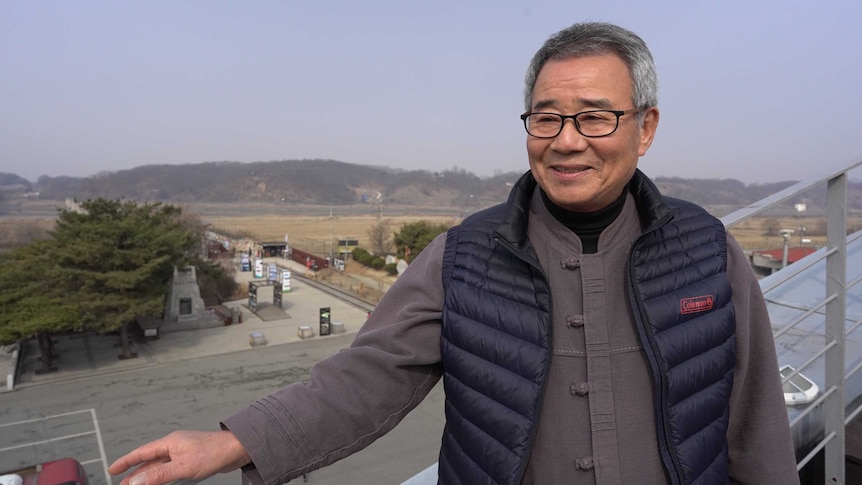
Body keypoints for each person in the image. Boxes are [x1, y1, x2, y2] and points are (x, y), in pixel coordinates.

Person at [109, 22, 799, 485]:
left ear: (644, 127)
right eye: (546, 117)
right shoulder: (462, 256)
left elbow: (756, 420)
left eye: (594, 115)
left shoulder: (707, 249)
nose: (567, 140)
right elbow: (368, 375)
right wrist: (235, 440)